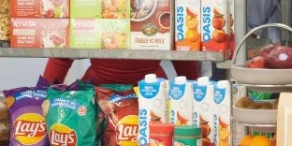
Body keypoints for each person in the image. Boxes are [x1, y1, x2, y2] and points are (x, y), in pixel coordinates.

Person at [43, 58, 199, 86]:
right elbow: (62, 54)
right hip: (97, 96)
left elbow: (182, 52)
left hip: (152, 93)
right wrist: (40, 99)